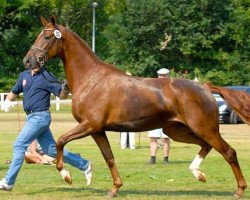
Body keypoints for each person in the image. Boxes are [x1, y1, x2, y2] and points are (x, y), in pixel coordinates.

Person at [0, 65, 92, 191]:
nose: (37, 64)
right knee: (51, 150)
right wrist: (7, 101)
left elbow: (62, 95)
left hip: (40, 116)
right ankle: (84, 164)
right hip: (31, 117)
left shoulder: (46, 76)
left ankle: (8, 182)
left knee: (19, 145)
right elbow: (14, 91)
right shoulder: (24, 75)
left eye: (39, 61)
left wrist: (65, 88)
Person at [148, 68, 171, 165]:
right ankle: (152, 159)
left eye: (164, 75)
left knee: (165, 139)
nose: (162, 77)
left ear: (167, 76)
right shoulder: (152, 88)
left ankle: (166, 159)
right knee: (153, 139)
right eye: (160, 75)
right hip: (154, 118)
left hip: (167, 118)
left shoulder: (171, 88)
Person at [120, 71, 136, 150]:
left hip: (130, 110)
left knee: (130, 129)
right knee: (125, 129)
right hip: (124, 111)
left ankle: (130, 146)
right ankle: (125, 145)